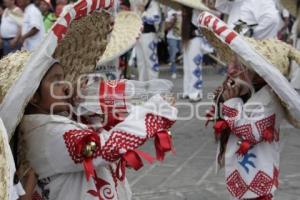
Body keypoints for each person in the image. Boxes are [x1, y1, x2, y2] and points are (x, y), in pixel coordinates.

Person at [0, 1, 177, 199]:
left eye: (64, 78)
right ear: (32, 95)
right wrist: (156, 112)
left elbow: (102, 125)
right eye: (56, 81)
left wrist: (82, 105)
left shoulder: (47, 122)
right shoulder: (46, 133)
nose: (67, 85)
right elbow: (105, 147)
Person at [200, 11, 300, 199]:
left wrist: (231, 102)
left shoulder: (269, 99)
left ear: (258, 73)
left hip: (257, 175)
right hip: (242, 174)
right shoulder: (249, 91)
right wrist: (222, 99)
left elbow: (250, 132)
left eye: (240, 66)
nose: (232, 69)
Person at [131, 0, 161, 81]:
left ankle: (154, 85)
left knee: (151, 61)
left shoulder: (153, 3)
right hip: (138, 35)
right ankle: (142, 84)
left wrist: (144, 12)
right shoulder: (136, 3)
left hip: (149, 35)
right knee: (140, 63)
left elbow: (156, 19)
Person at [165, 8, 182, 79]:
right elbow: (166, 28)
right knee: (173, 55)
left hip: (182, 37)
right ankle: (173, 72)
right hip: (171, 37)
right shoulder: (170, 13)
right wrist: (172, 22)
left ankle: (187, 71)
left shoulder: (183, 12)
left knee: (184, 54)